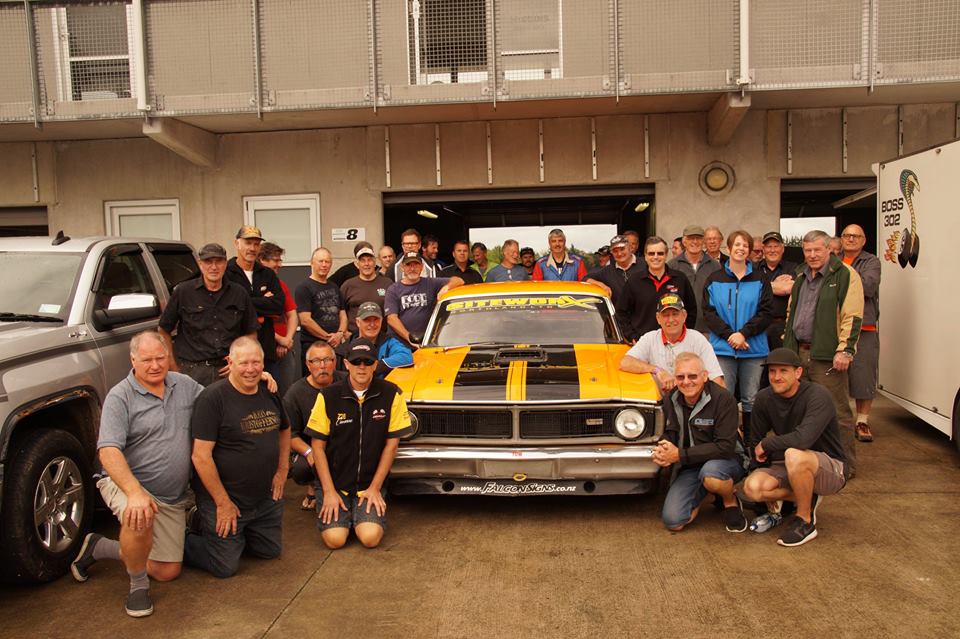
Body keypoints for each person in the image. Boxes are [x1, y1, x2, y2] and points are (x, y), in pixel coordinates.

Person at [71, 331, 204, 617]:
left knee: (167, 571)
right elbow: (108, 450)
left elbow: (217, 401)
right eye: (147, 360)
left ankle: (99, 547)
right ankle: (138, 585)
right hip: (126, 484)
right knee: (139, 516)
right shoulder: (120, 396)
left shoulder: (184, 385)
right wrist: (134, 493)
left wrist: (258, 378)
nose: (155, 365)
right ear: (133, 360)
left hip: (170, 496)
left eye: (160, 358)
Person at [184, 337, 290, 578]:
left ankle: (231, 534)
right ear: (230, 363)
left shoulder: (270, 391)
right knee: (225, 566)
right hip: (225, 498)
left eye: (256, 362)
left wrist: (282, 470)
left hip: (264, 499)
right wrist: (222, 503)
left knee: (270, 551)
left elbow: (285, 430)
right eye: (243, 363)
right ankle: (186, 536)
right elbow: (200, 457)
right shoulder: (212, 399)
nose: (251, 369)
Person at [304, 339, 414, 549]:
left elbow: (391, 446)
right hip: (335, 485)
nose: (361, 367)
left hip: (368, 485)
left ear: (375, 364)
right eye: (356, 362)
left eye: (367, 361)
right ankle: (345, 514)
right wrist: (328, 492)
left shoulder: (392, 394)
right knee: (335, 540)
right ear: (346, 364)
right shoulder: (328, 395)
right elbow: (317, 447)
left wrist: (375, 488)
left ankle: (360, 515)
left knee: (370, 538)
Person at [743, 348, 849, 547]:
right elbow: (754, 440)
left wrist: (767, 444)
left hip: (831, 467)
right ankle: (805, 496)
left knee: (794, 454)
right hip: (789, 463)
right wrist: (758, 465)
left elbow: (803, 440)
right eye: (772, 371)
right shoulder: (764, 398)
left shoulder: (818, 395)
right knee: (753, 488)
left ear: (798, 372)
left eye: (783, 371)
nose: (777, 377)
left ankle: (805, 521)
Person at [783, 229, 863, 478]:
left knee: (837, 412)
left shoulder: (845, 275)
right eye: (808, 250)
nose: (812, 255)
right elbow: (791, 313)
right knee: (801, 411)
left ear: (829, 249)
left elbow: (853, 316)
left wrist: (845, 350)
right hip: (799, 353)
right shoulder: (800, 276)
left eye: (817, 249)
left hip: (827, 356)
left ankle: (845, 466)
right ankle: (809, 463)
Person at [654, 353, 746, 533]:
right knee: (674, 522)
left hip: (725, 461)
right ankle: (713, 495)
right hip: (691, 465)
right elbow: (669, 432)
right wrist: (663, 449)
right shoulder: (671, 398)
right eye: (680, 377)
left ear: (705, 376)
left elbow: (725, 447)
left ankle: (729, 501)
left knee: (711, 474)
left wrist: (679, 455)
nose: (686, 382)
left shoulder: (724, 399)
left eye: (692, 376)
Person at [702, 230, 773, 434]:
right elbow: (709, 313)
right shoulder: (714, 279)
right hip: (723, 349)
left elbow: (766, 312)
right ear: (729, 248)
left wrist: (743, 334)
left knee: (751, 398)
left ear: (749, 250)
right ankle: (727, 442)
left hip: (753, 349)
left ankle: (751, 442)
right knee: (724, 398)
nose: (741, 249)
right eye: (737, 245)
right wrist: (730, 335)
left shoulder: (760, 279)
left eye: (745, 245)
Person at [158, 243, 258, 386]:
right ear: (200, 264)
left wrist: (238, 360)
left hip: (228, 371)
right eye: (208, 262)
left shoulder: (239, 293)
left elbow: (251, 332)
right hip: (191, 372)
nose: (214, 267)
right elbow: (163, 330)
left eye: (218, 261)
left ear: (225, 263)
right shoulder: (183, 292)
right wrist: (173, 367)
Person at [283, 341, 345, 512]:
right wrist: (309, 451)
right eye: (316, 361)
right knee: (301, 468)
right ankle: (313, 485)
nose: (322, 366)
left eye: (327, 360)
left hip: (343, 444)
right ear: (308, 364)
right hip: (312, 446)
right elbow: (289, 434)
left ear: (335, 362)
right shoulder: (295, 393)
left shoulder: (347, 382)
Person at [619, 294, 724, 391]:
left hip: (694, 400)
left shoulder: (698, 339)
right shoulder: (649, 338)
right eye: (666, 315)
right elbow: (625, 362)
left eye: (675, 314)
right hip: (660, 401)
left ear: (684, 315)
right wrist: (657, 370)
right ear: (658, 318)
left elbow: (716, 379)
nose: (671, 320)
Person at [225, 225, 287, 380]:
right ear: (237, 243)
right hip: (237, 354)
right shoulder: (226, 273)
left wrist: (243, 302)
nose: (252, 248)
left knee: (270, 392)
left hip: (266, 351)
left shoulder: (267, 273)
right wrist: (264, 302)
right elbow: (227, 306)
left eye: (256, 244)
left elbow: (278, 305)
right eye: (248, 243)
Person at [841, 224, 881, 443]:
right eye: (847, 235)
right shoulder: (833, 259)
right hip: (837, 326)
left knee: (863, 375)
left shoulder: (871, 262)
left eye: (856, 236)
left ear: (863, 241)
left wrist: (839, 280)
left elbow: (867, 287)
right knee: (835, 377)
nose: (851, 239)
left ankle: (862, 421)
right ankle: (839, 421)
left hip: (864, 327)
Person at [616, 236, 697, 342]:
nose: (655, 257)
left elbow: (691, 310)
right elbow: (621, 313)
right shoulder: (634, 281)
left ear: (666, 255)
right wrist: (632, 336)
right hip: (644, 343)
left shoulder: (680, 279)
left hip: (675, 342)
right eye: (651, 253)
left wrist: (683, 334)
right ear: (645, 256)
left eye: (660, 253)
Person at [385, 252, 463, 347]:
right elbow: (391, 318)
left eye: (416, 264)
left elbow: (459, 280)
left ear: (422, 267)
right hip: (399, 344)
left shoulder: (430, 283)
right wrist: (409, 337)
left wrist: (446, 287)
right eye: (408, 265)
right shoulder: (393, 289)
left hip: (426, 343)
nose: (412, 268)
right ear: (402, 267)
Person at [295, 247, 347, 372]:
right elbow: (305, 320)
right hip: (313, 346)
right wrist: (328, 337)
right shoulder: (304, 287)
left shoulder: (334, 287)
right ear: (312, 263)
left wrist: (340, 333)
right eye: (321, 261)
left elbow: (343, 314)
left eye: (327, 261)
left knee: (336, 379)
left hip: (335, 346)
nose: (324, 265)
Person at [258, 242, 299, 397]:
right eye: (275, 260)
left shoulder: (281, 285)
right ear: (262, 260)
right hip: (264, 347)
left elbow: (292, 315)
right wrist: (280, 340)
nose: (279, 264)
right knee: (268, 394)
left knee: (286, 394)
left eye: (280, 260)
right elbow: (255, 320)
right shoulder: (253, 286)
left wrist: (287, 339)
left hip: (286, 348)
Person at [667, 225, 721, 333]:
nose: (695, 241)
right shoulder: (672, 266)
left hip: (708, 329)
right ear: (684, 241)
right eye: (691, 238)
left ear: (704, 241)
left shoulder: (715, 266)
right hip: (680, 329)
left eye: (699, 238)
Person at [343, 302, 413, 378]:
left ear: (381, 321)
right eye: (367, 320)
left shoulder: (388, 341)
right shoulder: (346, 346)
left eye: (376, 319)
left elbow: (406, 357)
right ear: (358, 322)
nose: (372, 324)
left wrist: (375, 366)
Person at [339, 243, 394, 336]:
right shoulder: (348, 285)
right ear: (357, 264)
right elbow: (340, 312)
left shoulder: (387, 283)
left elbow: (394, 312)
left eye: (369, 260)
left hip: (382, 337)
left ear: (375, 262)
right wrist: (344, 332)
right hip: (355, 338)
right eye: (362, 261)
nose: (366, 264)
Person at [757, 232, 797, 351]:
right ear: (763, 249)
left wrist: (762, 286)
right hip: (758, 326)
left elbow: (789, 288)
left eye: (776, 246)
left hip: (782, 326)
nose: (772, 250)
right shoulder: (754, 268)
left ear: (782, 248)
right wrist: (775, 284)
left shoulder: (793, 267)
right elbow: (749, 289)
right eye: (769, 246)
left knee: (781, 360)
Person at [586, 234, 640, 305]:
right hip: (619, 312)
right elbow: (585, 279)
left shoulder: (645, 265)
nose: (619, 253)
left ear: (630, 248)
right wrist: (602, 285)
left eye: (622, 249)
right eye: (615, 251)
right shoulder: (607, 271)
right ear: (612, 253)